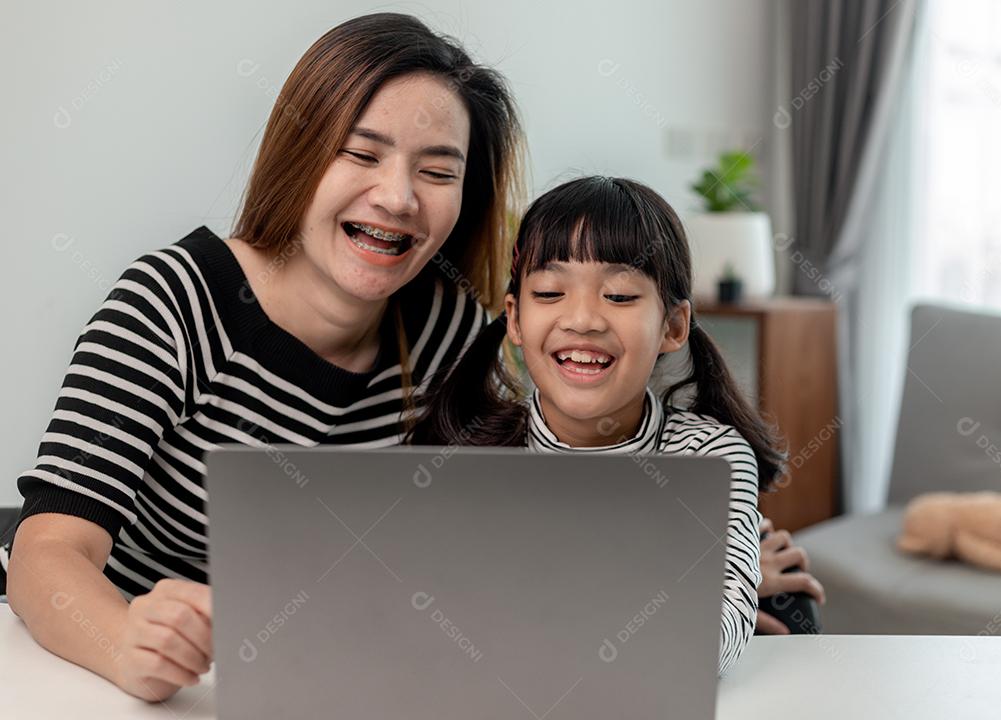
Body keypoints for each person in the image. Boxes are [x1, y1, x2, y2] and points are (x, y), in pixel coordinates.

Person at [2, 13, 524, 702]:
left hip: (312, 678)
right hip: (113, 676)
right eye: (361, 154)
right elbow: (46, 553)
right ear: (299, 154)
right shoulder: (174, 302)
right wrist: (127, 642)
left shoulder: (450, 334)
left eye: (436, 172)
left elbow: (487, 551)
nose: (399, 198)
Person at [408, 175, 787, 674]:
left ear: (673, 326)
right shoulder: (467, 455)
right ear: (515, 320)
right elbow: (435, 625)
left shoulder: (710, 458)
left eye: (620, 295)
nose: (583, 319)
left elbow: (708, 638)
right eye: (550, 292)